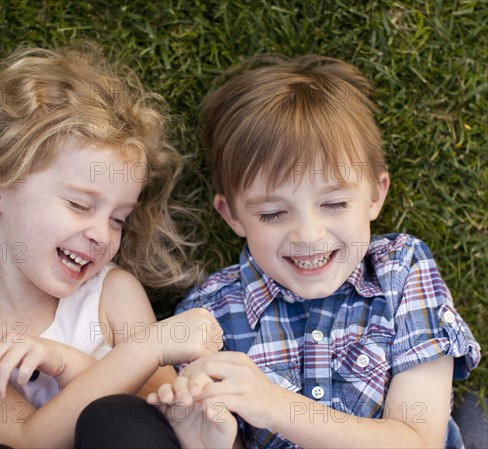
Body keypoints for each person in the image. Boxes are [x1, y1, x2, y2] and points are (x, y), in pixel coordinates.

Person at [147, 54, 481, 448]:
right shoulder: (207, 317)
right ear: (233, 215)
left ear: (375, 194)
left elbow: (417, 441)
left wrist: (275, 405)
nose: (307, 234)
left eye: (334, 204)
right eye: (272, 214)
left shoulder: (401, 271)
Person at [0, 44, 223, 449]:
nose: (102, 235)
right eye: (79, 204)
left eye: (118, 219)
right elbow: (24, 441)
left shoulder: (112, 294)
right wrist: (149, 346)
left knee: (119, 420)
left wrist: (66, 362)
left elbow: (168, 416)